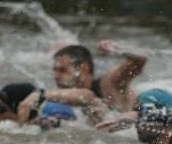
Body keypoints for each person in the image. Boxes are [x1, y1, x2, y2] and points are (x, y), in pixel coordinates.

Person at [16, 41, 148, 125]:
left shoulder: (109, 83)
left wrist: (118, 48)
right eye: (55, 70)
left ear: (83, 68)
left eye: (62, 70)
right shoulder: (62, 96)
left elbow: (141, 59)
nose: (55, 76)